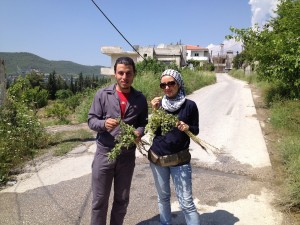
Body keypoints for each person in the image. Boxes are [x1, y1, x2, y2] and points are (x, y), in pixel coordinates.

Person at [88, 56, 148, 225]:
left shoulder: (140, 98)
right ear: (115, 74)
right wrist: (103, 124)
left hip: (126, 156)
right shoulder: (103, 94)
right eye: (121, 73)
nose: (124, 77)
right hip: (104, 154)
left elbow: (143, 122)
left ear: (134, 75)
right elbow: (91, 120)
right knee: (99, 201)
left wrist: (139, 132)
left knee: (121, 200)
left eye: (128, 73)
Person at [148, 69, 200, 225]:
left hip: (180, 161)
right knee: (163, 198)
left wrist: (187, 127)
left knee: (186, 202)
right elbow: (154, 130)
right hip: (158, 159)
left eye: (171, 83)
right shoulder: (159, 105)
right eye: (163, 85)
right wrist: (155, 111)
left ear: (179, 84)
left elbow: (196, 130)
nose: (167, 88)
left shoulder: (189, 105)